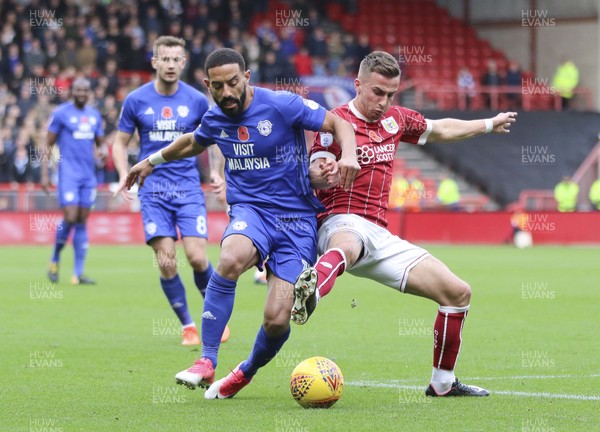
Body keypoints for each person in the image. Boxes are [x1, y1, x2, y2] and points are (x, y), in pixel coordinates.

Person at [120, 48, 360, 399]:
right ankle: (206, 360)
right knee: (231, 256)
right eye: (218, 87)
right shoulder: (216, 118)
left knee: (277, 318)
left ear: (246, 77)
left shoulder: (281, 105)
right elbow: (192, 142)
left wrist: (349, 154)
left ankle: (245, 371)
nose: (227, 92)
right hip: (251, 211)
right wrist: (151, 161)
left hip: (297, 220)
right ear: (208, 85)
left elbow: (338, 122)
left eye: (234, 83)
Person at [291, 51, 518, 397]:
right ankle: (311, 292)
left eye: (391, 94)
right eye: (377, 92)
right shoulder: (333, 121)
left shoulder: (396, 120)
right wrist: (323, 174)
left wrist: (488, 123)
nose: (383, 102)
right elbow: (316, 168)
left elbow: (441, 128)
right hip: (339, 221)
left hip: (380, 234)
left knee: (458, 293)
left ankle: (442, 384)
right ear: (358, 85)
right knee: (347, 245)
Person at [112, 36, 226, 346]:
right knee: (166, 260)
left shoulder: (197, 100)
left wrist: (216, 172)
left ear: (184, 62)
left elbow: (214, 139)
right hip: (153, 191)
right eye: (165, 59)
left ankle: (214, 315)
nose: (171, 64)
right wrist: (124, 173)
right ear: (154, 62)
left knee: (197, 257)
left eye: (176, 59)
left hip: (188, 188)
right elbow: (119, 143)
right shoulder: (136, 100)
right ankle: (188, 325)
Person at [41, 78, 104, 285]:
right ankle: (55, 259)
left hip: (88, 176)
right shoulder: (61, 113)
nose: (82, 93)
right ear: (72, 91)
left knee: (82, 219)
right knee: (70, 215)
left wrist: (102, 153)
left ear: (89, 93)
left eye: (85, 90)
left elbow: (100, 144)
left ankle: (78, 273)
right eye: (78, 89)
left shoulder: (94, 116)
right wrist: (44, 174)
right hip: (68, 174)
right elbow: (47, 144)